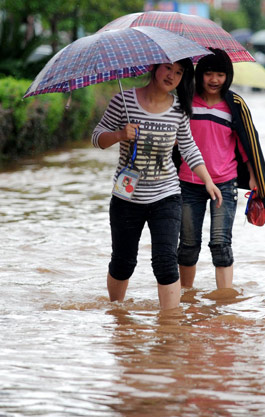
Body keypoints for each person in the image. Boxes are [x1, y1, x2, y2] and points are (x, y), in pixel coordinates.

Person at [91, 59, 223, 310]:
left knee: (164, 262)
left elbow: (189, 147)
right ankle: (118, 318)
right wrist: (120, 134)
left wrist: (208, 181)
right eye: (168, 68)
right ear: (154, 67)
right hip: (126, 197)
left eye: (179, 72)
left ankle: (171, 328)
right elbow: (97, 137)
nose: (172, 75)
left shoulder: (179, 109)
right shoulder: (124, 101)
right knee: (123, 263)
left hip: (167, 196)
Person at [174, 48, 265, 290]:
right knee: (188, 245)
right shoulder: (185, 100)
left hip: (224, 181)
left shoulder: (235, 104)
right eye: (209, 73)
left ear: (227, 76)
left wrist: (254, 177)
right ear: (200, 74)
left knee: (221, 244)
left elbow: (248, 144)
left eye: (220, 74)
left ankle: (224, 299)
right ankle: (186, 296)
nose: (214, 80)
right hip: (188, 181)